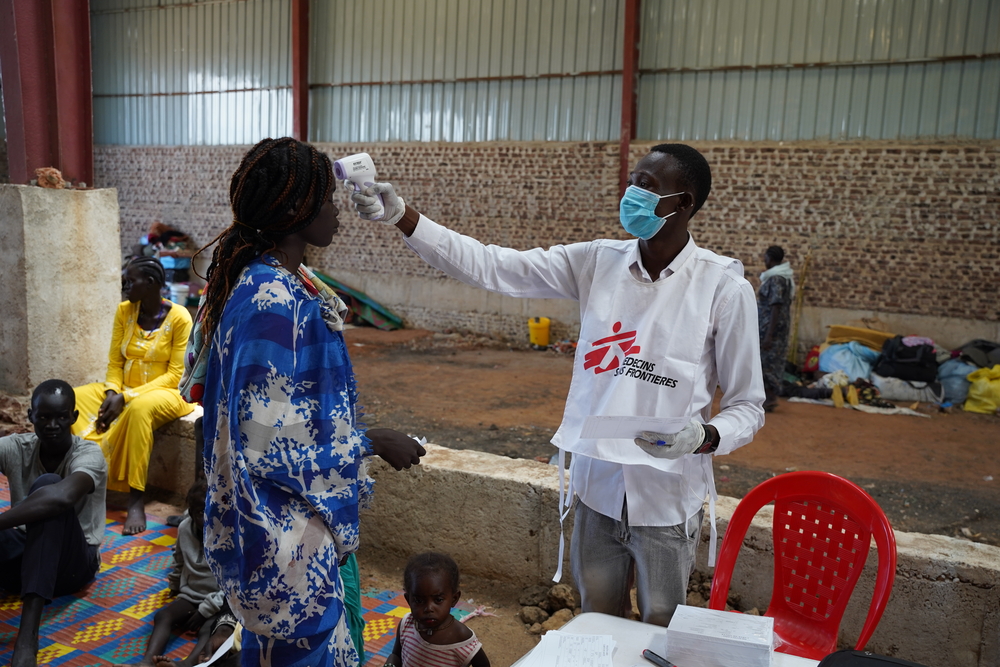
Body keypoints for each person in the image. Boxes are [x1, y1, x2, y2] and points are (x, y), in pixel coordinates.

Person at [351, 143, 765, 626]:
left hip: (667, 498)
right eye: (633, 180)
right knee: (598, 620)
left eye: (648, 186)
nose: (632, 192)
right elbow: (494, 266)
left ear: (684, 202)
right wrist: (404, 217)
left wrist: (706, 436)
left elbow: (747, 405)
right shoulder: (597, 262)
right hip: (597, 492)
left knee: (662, 628)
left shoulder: (723, 289)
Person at [194, 137, 426, 667]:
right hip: (283, 551)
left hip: (284, 540)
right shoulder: (271, 305)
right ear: (297, 212)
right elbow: (265, 450)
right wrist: (370, 443)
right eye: (327, 200)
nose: (337, 210)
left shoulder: (278, 287)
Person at [73, 256, 195, 535]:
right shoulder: (124, 311)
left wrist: (126, 398)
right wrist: (112, 391)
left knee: (139, 409)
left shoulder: (179, 317)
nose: (125, 286)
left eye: (130, 281)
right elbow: (115, 363)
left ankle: (136, 498)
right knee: (74, 398)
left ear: (151, 283)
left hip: (168, 393)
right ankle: (74, 474)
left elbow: (176, 375)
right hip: (124, 388)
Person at [0, 380, 107, 667]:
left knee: (49, 490)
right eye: (44, 416)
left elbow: (61, 498)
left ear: (74, 417)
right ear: (30, 417)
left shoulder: (89, 454)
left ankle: (26, 639)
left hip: (73, 565)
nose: (53, 425)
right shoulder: (16, 447)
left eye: (61, 417)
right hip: (25, 557)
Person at [119, 479, 222, 667]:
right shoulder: (184, 528)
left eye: (213, 511)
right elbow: (179, 560)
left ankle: (186, 664)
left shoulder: (228, 536)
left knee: (209, 629)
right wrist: (174, 585)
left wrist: (205, 611)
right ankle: (147, 662)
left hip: (219, 601)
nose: (208, 517)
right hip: (192, 594)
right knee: (163, 616)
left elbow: (235, 586)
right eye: (200, 512)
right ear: (190, 513)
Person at [385, 552, 489, 667]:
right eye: (419, 601)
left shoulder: (462, 639)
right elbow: (396, 655)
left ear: (454, 599)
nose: (428, 608)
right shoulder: (407, 625)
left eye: (438, 600)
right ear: (408, 600)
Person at [757, 245, 795, 412]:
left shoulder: (776, 279)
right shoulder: (783, 277)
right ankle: (768, 396)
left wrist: (769, 335)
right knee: (770, 360)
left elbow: (776, 306)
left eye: (765, 257)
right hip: (774, 327)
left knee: (768, 361)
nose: (764, 261)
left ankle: (770, 396)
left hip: (771, 329)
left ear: (770, 259)